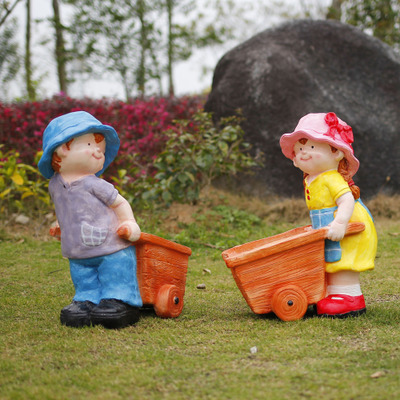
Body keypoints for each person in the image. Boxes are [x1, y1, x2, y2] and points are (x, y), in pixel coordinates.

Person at [38, 111, 142, 329]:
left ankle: (119, 299)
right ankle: (86, 299)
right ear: (62, 149)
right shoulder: (55, 185)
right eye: (90, 145)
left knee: (114, 270)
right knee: (82, 274)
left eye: (102, 150)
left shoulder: (94, 184)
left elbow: (120, 203)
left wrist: (129, 223)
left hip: (110, 245)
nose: (98, 153)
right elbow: (65, 208)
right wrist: (60, 224)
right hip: (77, 248)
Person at [280, 112, 377, 318]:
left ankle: (350, 297)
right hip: (328, 227)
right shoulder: (312, 179)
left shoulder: (331, 178)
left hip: (349, 226)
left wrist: (341, 223)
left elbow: (346, 200)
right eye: (299, 149)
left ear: (336, 152)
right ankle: (333, 294)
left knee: (342, 262)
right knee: (329, 261)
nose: (304, 153)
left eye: (312, 148)